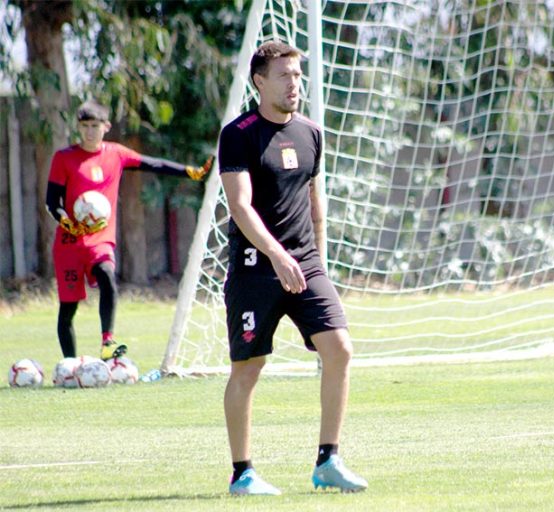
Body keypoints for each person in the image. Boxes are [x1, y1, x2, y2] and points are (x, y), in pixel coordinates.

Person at [218, 40, 368, 495]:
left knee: (339, 349)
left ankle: (328, 461)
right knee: (249, 368)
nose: (294, 84)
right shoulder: (238, 134)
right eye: (284, 75)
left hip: (305, 266)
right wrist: (277, 255)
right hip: (255, 269)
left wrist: (314, 259)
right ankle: (242, 473)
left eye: (297, 75)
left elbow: (314, 201)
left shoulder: (311, 133)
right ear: (260, 82)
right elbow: (240, 206)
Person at [45, 100, 212, 361]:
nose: (89, 132)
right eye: (85, 126)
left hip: (100, 240)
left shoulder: (116, 154)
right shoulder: (64, 158)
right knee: (68, 309)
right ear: (78, 127)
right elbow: (51, 202)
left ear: (106, 126)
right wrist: (67, 221)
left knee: (107, 275)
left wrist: (190, 172)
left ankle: (107, 342)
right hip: (69, 244)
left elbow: (154, 164)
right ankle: (70, 365)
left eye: (95, 126)